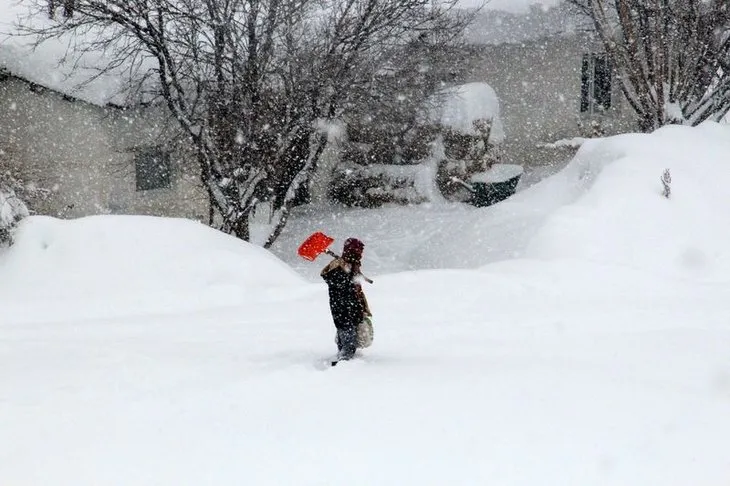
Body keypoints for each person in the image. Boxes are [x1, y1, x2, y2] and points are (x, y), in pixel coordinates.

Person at [321, 237, 371, 362]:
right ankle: (341, 367)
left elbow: (354, 288)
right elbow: (339, 286)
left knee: (349, 340)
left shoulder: (351, 265)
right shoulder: (338, 266)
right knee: (348, 343)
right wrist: (348, 276)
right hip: (343, 309)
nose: (361, 254)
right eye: (359, 251)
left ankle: (343, 363)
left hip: (351, 309)